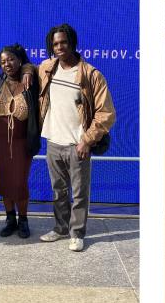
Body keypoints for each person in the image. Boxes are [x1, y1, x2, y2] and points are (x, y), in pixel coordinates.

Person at [38, 24, 116, 252]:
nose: (59, 47)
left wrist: (87, 140)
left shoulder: (91, 75)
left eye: (63, 42)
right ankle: (60, 228)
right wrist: (24, 71)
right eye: (55, 44)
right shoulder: (46, 69)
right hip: (53, 142)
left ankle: (77, 233)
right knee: (58, 191)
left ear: (72, 42)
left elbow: (106, 113)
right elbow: (26, 67)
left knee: (80, 193)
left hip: (78, 145)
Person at [0, 44, 41, 239]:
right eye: (3, 61)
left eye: (11, 59)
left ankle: (23, 220)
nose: (7, 64)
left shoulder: (31, 83)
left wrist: (28, 69)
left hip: (22, 144)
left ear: (19, 60)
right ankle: (10, 220)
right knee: (3, 181)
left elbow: (44, 68)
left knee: (19, 182)